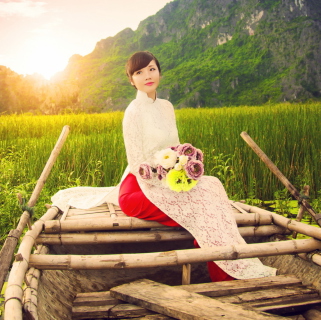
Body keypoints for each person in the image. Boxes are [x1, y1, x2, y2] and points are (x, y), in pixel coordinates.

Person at [52, 51, 275, 282]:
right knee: (200, 208)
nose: (147, 75)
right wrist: (168, 181)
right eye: (139, 72)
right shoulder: (133, 113)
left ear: (159, 71)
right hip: (140, 185)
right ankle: (223, 273)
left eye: (151, 69)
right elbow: (138, 164)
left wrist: (183, 166)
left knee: (212, 186)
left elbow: (175, 147)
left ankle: (227, 256)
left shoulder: (167, 107)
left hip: (169, 177)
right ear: (131, 80)